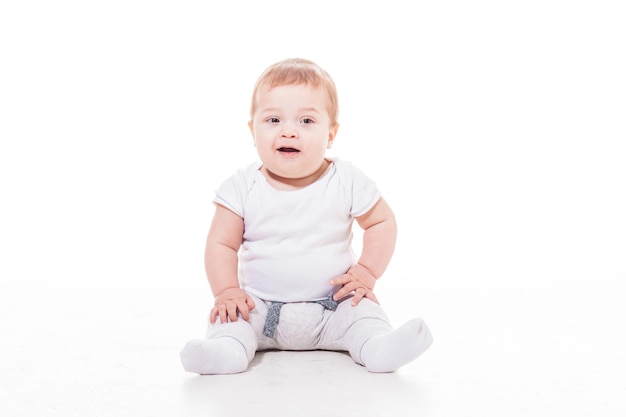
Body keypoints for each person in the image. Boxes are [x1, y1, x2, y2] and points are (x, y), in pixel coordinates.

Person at [180, 58, 433, 374]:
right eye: (273, 120)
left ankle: (378, 347)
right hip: (260, 307)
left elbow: (382, 221)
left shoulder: (346, 179)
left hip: (333, 306)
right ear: (252, 129)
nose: (288, 132)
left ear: (331, 133)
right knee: (230, 317)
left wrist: (367, 271)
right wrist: (227, 291)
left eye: (306, 121)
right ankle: (225, 352)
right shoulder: (241, 187)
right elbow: (221, 244)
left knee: (363, 313)